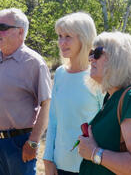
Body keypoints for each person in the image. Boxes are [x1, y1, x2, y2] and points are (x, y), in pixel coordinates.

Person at [0, 8, 52, 175]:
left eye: (3, 27)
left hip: (19, 143)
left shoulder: (34, 63)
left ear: (20, 32)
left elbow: (46, 105)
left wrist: (33, 142)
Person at [78, 31, 131, 175]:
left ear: (118, 57)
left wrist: (94, 153)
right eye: (90, 53)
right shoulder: (113, 97)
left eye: (97, 53)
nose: (91, 58)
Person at [43, 12, 103, 175]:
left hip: (91, 167)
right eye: (60, 36)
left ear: (84, 39)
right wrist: (48, 158)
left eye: (68, 36)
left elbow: (108, 126)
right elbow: (54, 119)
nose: (62, 42)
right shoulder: (61, 73)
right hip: (60, 165)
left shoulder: (99, 76)